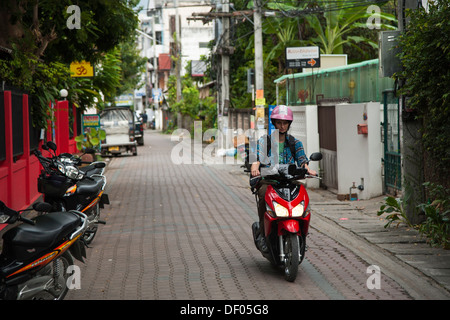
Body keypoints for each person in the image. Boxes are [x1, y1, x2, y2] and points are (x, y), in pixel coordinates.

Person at [250, 105, 316, 251]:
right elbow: (257, 159)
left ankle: (302, 233)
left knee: (302, 191)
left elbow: (302, 161)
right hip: (270, 181)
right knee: (262, 193)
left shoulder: (295, 143)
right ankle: (262, 233)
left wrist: (308, 170)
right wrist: (255, 167)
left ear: (289, 124)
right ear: (274, 123)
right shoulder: (264, 141)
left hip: (289, 181)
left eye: (285, 123)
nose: (282, 126)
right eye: (279, 122)